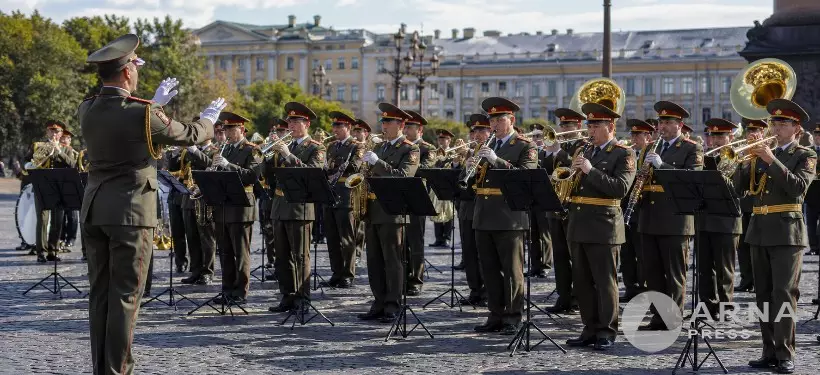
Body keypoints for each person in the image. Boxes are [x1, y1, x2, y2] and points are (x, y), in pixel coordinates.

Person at [81, 34, 222, 374]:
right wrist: (209, 119)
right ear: (127, 73)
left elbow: (136, 125)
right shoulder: (141, 114)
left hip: (94, 209)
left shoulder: (87, 108)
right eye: (136, 66)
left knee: (100, 294)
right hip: (130, 213)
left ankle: (104, 366)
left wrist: (153, 104)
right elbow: (188, 134)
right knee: (127, 297)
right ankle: (118, 369)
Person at [734, 99, 814, 374]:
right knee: (763, 295)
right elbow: (739, 188)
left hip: (787, 231)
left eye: (783, 123)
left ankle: (785, 352)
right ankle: (768, 350)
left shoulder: (805, 154)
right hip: (759, 229)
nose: (776, 127)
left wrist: (770, 158)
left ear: (796, 128)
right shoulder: (759, 154)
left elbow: (797, 188)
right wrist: (745, 161)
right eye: (774, 122)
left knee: (783, 294)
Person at [564, 102, 636, 350]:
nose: (590, 130)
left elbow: (620, 188)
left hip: (604, 225)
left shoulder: (623, 153)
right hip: (579, 223)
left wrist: (590, 170)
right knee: (582, 281)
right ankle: (589, 328)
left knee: (605, 282)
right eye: (589, 125)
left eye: (596, 125)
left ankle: (606, 330)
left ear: (611, 126)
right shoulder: (586, 151)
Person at [471, 97, 537, 335]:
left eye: (500, 119)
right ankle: (495, 314)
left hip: (509, 216)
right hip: (484, 214)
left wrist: (495, 160)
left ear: (512, 120)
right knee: (489, 270)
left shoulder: (525, 145)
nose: (495, 124)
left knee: (511, 271)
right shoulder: (485, 146)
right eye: (492, 119)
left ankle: (513, 315)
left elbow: (524, 177)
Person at [638, 101, 703, 330]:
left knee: (674, 273)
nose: (662, 126)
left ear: (680, 125)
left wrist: (662, 165)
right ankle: (658, 317)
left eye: (667, 122)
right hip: (650, 217)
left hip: (675, 219)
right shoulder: (650, 148)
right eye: (660, 122)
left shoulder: (691, 148)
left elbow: (691, 181)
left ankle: (673, 318)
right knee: (653, 273)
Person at [357, 103, 420, 323]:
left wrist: (378, 163)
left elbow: (403, 176)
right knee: (374, 260)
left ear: (400, 124)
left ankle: (393, 304)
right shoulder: (379, 147)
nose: (383, 125)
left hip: (393, 211)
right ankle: (379, 301)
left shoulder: (410, 149)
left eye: (387, 122)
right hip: (373, 210)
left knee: (392, 259)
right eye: (382, 122)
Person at [190, 112, 259, 305]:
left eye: (231, 129)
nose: (227, 133)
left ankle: (240, 291)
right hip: (223, 205)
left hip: (241, 205)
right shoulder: (223, 149)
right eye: (225, 129)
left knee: (240, 251)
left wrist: (229, 166)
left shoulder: (252, 150)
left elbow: (252, 176)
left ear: (242, 130)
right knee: (225, 251)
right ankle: (227, 289)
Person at [265, 103, 326, 312]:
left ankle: (303, 298)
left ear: (306, 124)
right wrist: (268, 155)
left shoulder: (316, 147)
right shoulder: (285, 144)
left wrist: (287, 155)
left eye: (295, 121)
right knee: (282, 257)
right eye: (289, 121)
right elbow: (269, 175)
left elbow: (312, 173)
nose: (290, 125)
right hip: (280, 206)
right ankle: (287, 296)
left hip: (300, 207)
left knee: (300, 256)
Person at [542, 108, 588, 314]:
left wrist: (558, 151)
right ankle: (563, 296)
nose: (563, 129)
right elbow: (545, 172)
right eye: (562, 126)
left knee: (577, 256)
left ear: (578, 127)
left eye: (567, 126)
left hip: (575, 208)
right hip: (556, 206)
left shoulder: (584, 145)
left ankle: (579, 297)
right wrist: (549, 152)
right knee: (560, 255)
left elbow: (576, 169)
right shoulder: (556, 147)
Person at [698, 118, 742, 319]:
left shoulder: (737, 158)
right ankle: (707, 306)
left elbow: (738, 189)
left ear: (730, 137)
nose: (714, 141)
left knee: (724, 268)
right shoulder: (704, 158)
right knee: (704, 268)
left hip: (727, 220)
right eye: (712, 136)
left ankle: (725, 307)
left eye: (720, 136)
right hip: (704, 218)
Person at [320, 111, 363, 289]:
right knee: (332, 237)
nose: (335, 129)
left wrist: (333, 166)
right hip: (330, 194)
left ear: (348, 128)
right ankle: (336, 272)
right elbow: (327, 167)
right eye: (334, 126)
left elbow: (355, 167)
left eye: (339, 126)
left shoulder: (357, 146)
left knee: (347, 238)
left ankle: (347, 273)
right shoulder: (331, 146)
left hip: (346, 195)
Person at [27, 120, 76, 262]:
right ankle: (40, 252)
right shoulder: (37, 146)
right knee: (42, 219)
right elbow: (27, 163)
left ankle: (53, 251)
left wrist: (59, 151)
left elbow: (72, 164)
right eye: (52, 130)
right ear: (47, 132)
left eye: (57, 131)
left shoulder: (66, 149)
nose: (55, 133)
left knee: (57, 220)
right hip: (42, 187)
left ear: (61, 133)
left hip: (59, 188)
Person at [179, 122, 221, 286]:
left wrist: (194, 151)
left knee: (207, 237)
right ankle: (195, 270)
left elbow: (211, 165)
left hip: (205, 198)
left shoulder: (216, 151)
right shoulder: (187, 151)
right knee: (191, 237)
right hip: (189, 197)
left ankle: (207, 272)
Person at [620, 119, 654, 302]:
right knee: (627, 254)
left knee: (643, 255)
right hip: (626, 209)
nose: (633, 138)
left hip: (644, 210)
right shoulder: (628, 154)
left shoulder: (651, 153)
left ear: (648, 136)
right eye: (632, 134)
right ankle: (630, 287)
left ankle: (644, 288)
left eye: (637, 135)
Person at [457, 114, 490, 306]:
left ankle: (487, 291)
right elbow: (461, 182)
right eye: (474, 131)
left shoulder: (493, 151)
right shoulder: (472, 153)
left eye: (481, 131)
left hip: (485, 208)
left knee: (482, 253)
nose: (476, 134)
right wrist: (462, 166)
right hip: (468, 208)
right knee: (469, 252)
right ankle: (475, 290)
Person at [402, 109, 435, 295]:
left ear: (419, 129)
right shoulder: (400, 147)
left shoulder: (427, 148)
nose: (405, 129)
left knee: (415, 241)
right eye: (405, 126)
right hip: (399, 197)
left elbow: (424, 169)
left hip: (417, 197)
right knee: (400, 242)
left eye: (410, 126)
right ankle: (402, 277)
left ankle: (415, 279)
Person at [735, 118, 767, 293]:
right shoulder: (744, 154)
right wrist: (743, 162)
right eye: (749, 132)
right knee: (743, 247)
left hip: (761, 206)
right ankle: (746, 279)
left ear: (763, 133)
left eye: (757, 132)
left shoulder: (768, 153)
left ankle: (759, 280)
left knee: (759, 247)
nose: (752, 135)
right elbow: (738, 185)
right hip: (744, 205)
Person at [527, 122, 552, 278]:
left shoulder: (546, 153)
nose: (536, 138)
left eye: (538, 136)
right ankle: (535, 264)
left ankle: (546, 264)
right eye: (534, 136)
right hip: (531, 197)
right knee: (532, 234)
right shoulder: (530, 151)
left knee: (544, 234)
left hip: (544, 197)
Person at [431, 128, 457, 248]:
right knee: (436, 212)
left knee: (448, 213)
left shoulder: (454, 153)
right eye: (439, 139)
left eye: (443, 139)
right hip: (436, 186)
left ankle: (447, 238)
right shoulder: (434, 153)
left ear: (449, 140)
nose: (441, 141)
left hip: (448, 186)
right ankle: (438, 238)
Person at [59, 129, 80, 251]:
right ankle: (61, 238)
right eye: (61, 138)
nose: (62, 140)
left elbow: (72, 164)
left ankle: (71, 239)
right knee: (60, 214)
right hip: (59, 185)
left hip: (70, 185)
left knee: (72, 215)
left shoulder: (73, 152)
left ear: (69, 140)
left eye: (65, 138)